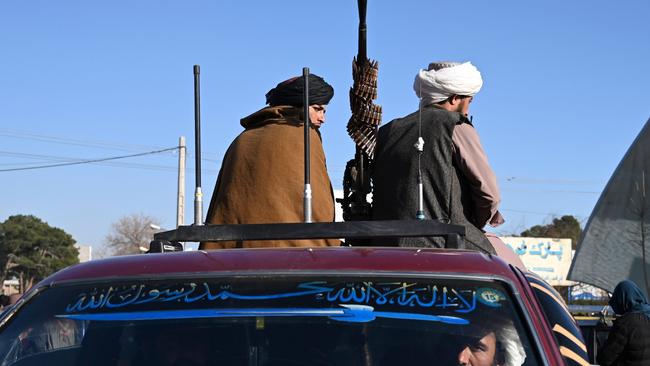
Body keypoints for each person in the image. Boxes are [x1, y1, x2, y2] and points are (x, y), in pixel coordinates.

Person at [372, 61, 503, 253]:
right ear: (454, 98)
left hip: (385, 242)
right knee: (507, 267)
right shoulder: (455, 125)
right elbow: (488, 192)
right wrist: (477, 222)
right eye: (469, 101)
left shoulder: (387, 131)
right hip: (444, 240)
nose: (468, 110)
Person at [199, 74, 339, 249]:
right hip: (295, 258)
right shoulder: (305, 136)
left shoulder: (242, 139)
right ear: (297, 104)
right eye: (317, 108)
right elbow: (320, 206)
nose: (322, 118)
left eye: (324, 111)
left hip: (231, 257)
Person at [597, 280, 650, 366]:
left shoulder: (625, 323)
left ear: (622, 300)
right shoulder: (647, 314)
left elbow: (604, 359)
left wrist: (602, 336)